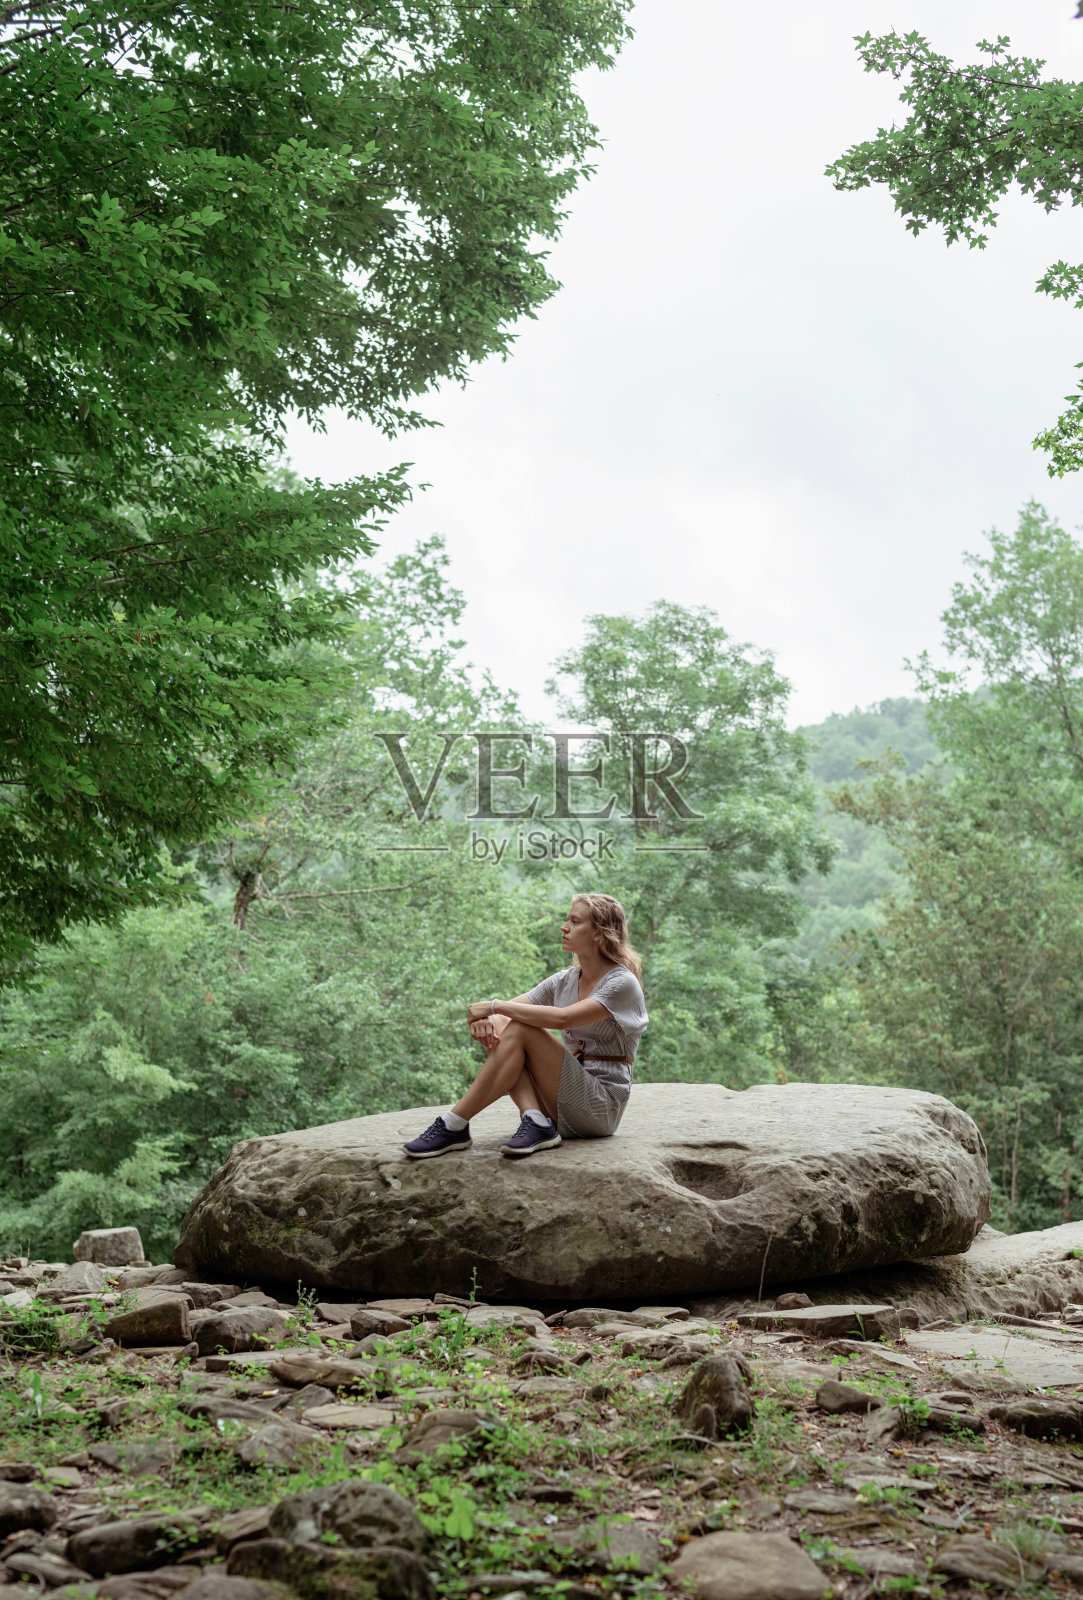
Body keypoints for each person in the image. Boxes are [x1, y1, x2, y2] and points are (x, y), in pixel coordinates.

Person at [403, 892, 648, 1159]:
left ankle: (453, 1123)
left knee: (520, 1027)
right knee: (504, 1027)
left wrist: (494, 1006)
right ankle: (534, 1119)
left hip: (601, 1107)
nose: (564, 927)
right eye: (567, 920)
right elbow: (502, 1019)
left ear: (598, 934)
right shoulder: (565, 980)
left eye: (575, 922)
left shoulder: (621, 983)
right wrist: (487, 1020)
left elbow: (561, 1018)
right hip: (559, 1098)